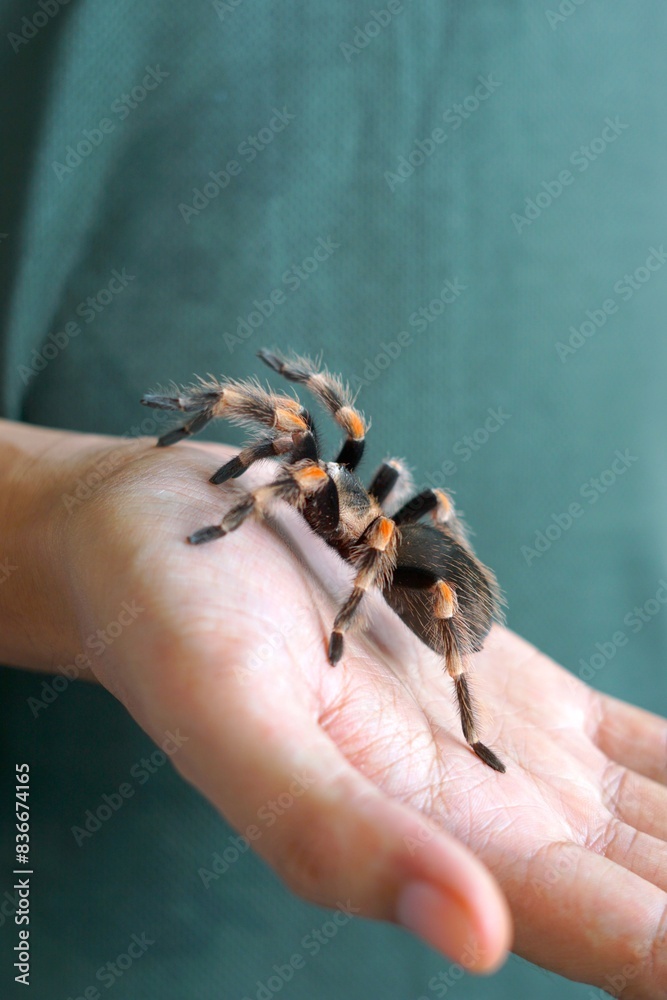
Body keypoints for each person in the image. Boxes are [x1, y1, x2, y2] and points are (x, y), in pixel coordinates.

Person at [1, 3, 666, 998]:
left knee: (417, 555)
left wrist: (352, 612)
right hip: (118, 936)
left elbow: (352, 505)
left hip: (471, 621)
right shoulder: (328, 471)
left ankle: (474, 723)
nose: (285, 457)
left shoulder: (360, 520)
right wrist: (66, 504)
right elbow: (310, 432)